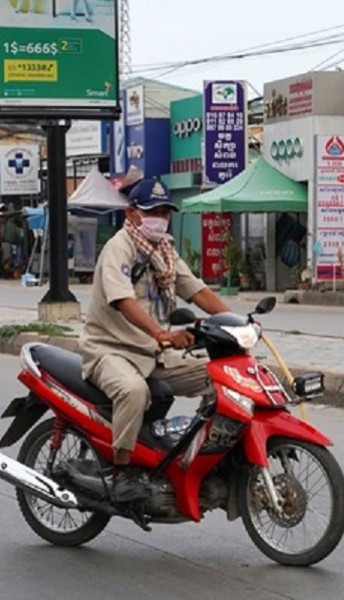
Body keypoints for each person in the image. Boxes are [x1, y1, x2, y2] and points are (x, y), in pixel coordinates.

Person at [80, 179, 230, 501]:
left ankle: (203, 453)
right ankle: (120, 472)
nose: (159, 218)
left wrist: (236, 324)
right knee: (133, 391)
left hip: (154, 353)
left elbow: (198, 291)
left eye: (164, 211)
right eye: (152, 211)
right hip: (111, 350)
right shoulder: (119, 248)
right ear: (132, 213)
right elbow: (123, 300)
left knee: (221, 376)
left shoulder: (165, 252)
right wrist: (161, 334)